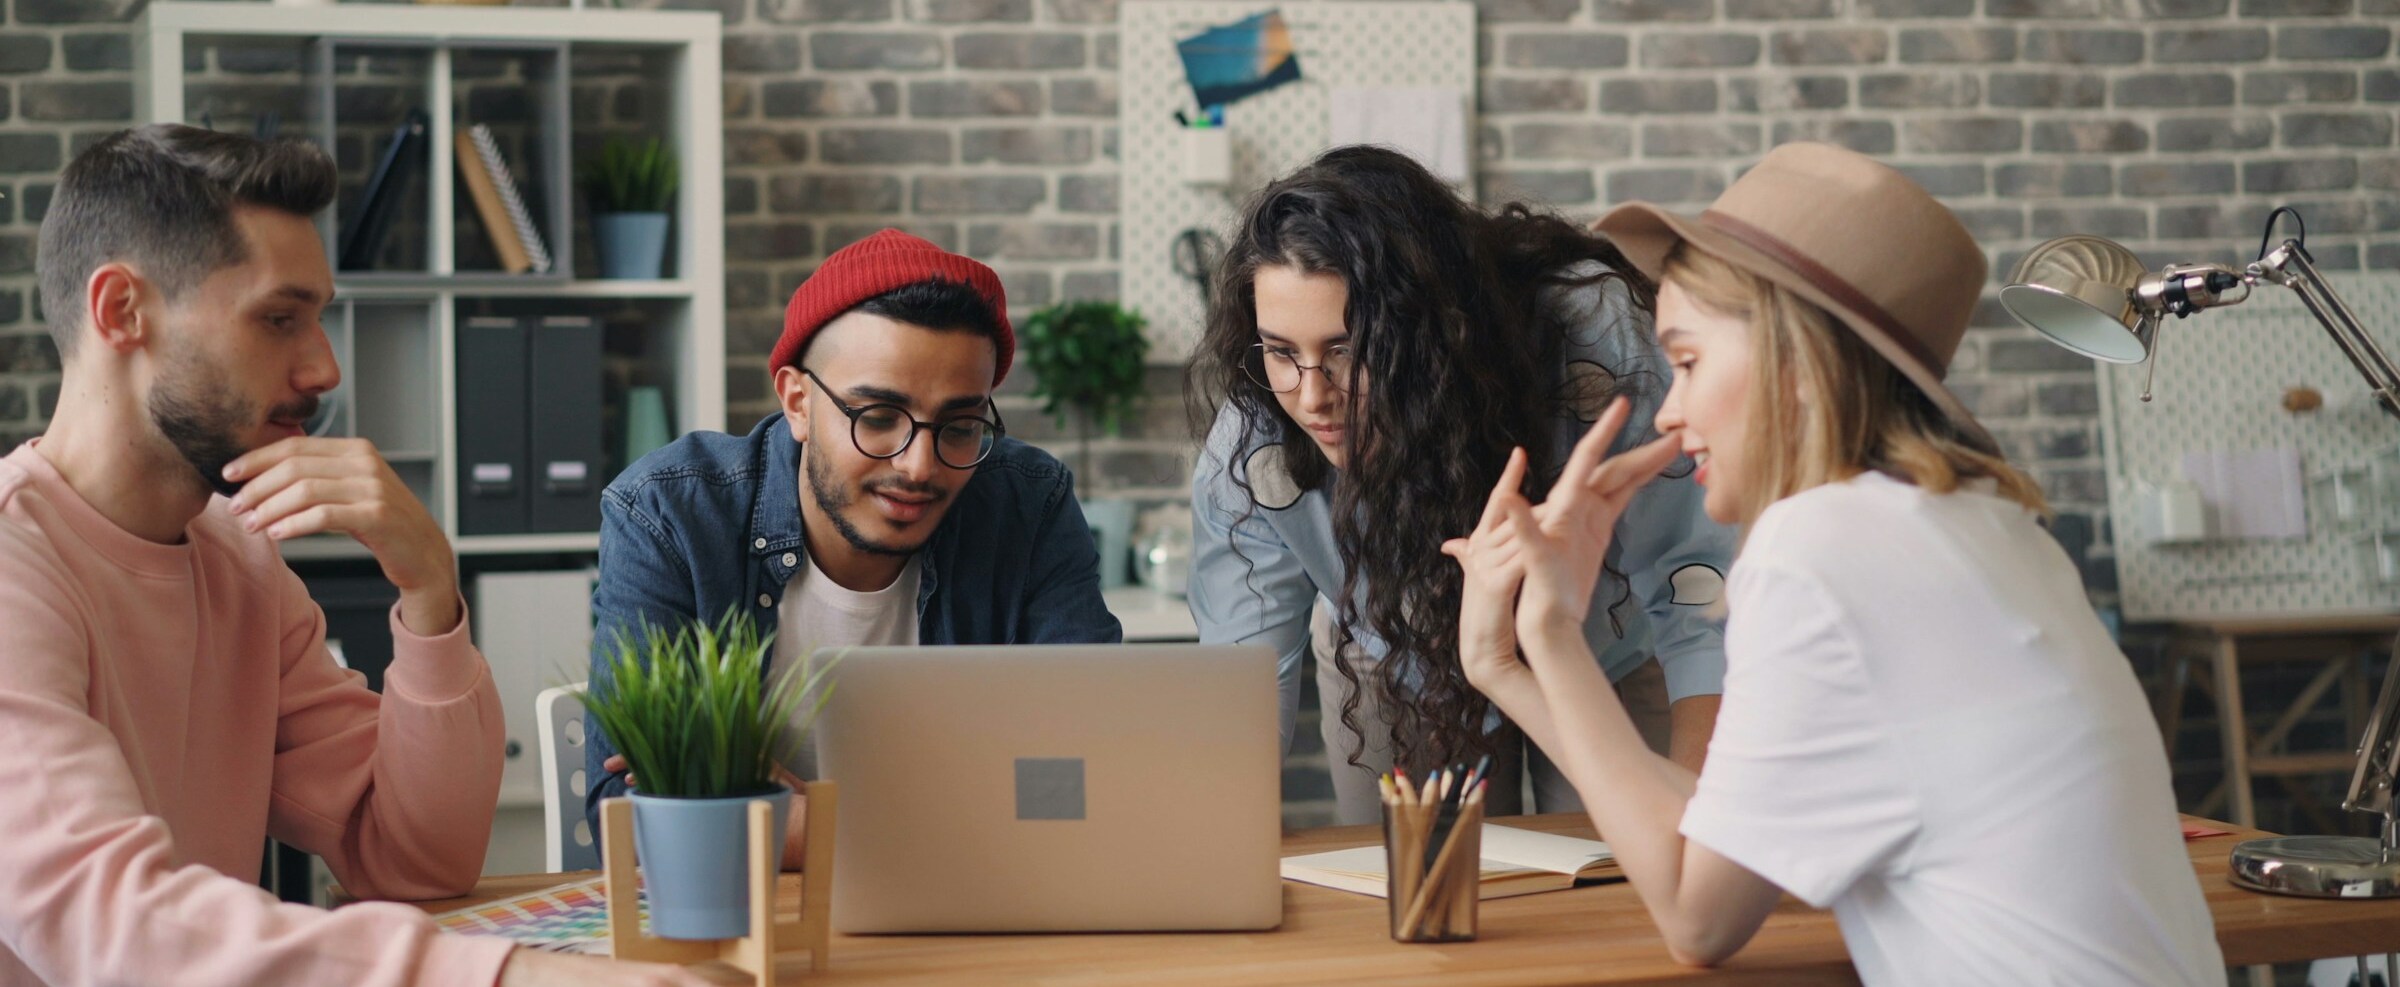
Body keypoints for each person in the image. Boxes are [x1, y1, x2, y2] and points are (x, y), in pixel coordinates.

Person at [1443, 141, 2224, 983]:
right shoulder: (1993, 527)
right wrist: (1506, 666)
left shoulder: (1817, 547)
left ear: (1797, 364)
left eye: (1690, 361)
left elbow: (1698, 915)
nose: (1669, 413)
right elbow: (1722, 839)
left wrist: (1554, 630)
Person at [0, 124, 709, 987]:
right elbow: (109, 924)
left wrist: (430, 592)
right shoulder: (14, 562)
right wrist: (511, 977)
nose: (326, 368)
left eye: (319, 320)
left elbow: (416, 858)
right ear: (122, 311)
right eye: (279, 318)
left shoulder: (241, 561)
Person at [1187, 145, 1733, 823]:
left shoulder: (1595, 345)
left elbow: (1696, 584)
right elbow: (1240, 682)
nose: (1313, 397)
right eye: (1281, 352)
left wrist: (1697, 840)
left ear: (1432, 335)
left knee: (1623, 881)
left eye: (1347, 349)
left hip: (1604, 653)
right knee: (1414, 894)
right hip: (1395, 662)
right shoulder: (1254, 441)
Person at [587, 229, 1123, 861]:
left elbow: (1084, 778)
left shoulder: (1029, 505)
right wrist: (958, 813)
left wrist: (785, 817)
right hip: (742, 923)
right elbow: (631, 820)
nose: (920, 466)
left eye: (959, 427)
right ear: (797, 401)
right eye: (876, 418)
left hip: (975, 920)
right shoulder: (670, 512)